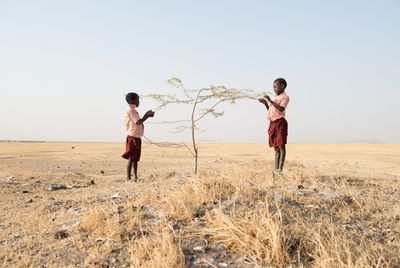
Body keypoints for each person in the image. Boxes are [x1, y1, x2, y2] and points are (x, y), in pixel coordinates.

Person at [122, 92, 155, 181]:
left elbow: (139, 120)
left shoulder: (133, 110)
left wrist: (146, 115)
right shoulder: (131, 111)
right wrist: (147, 115)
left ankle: (135, 177)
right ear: (133, 101)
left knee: (135, 158)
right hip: (133, 137)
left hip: (136, 137)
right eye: (137, 100)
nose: (139, 101)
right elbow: (139, 122)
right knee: (132, 158)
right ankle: (128, 178)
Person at [259, 78, 289, 172]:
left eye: (275, 87)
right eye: (273, 87)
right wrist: (265, 104)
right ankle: (276, 169)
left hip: (280, 122)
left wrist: (269, 100)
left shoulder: (285, 97)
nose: (274, 89)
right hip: (272, 123)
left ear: (282, 86)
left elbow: (281, 109)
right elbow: (271, 110)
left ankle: (280, 169)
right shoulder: (274, 97)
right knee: (275, 147)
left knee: (281, 145)